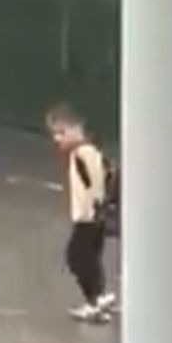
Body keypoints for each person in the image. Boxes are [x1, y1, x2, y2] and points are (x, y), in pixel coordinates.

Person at [45, 103, 117, 322]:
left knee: (77, 258)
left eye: (62, 132)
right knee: (90, 259)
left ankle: (93, 301)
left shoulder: (83, 153)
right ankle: (99, 297)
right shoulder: (86, 152)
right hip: (92, 216)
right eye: (55, 133)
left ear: (77, 129)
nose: (57, 138)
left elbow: (95, 183)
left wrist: (93, 209)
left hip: (88, 218)